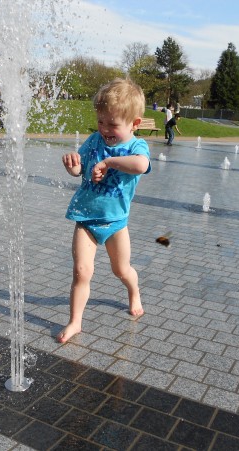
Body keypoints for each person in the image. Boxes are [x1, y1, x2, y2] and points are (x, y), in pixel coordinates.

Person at [57, 78, 151, 344]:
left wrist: (109, 162)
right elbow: (79, 170)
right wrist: (72, 164)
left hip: (116, 224)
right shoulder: (94, 141)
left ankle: (133, 291)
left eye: (112, 124)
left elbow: (141, 165)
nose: (105, 129)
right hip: (86, 219)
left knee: (121, 270)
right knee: (81, 271)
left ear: (134, 124)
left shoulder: (136, 147)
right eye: (101, 122)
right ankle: (75, 321)